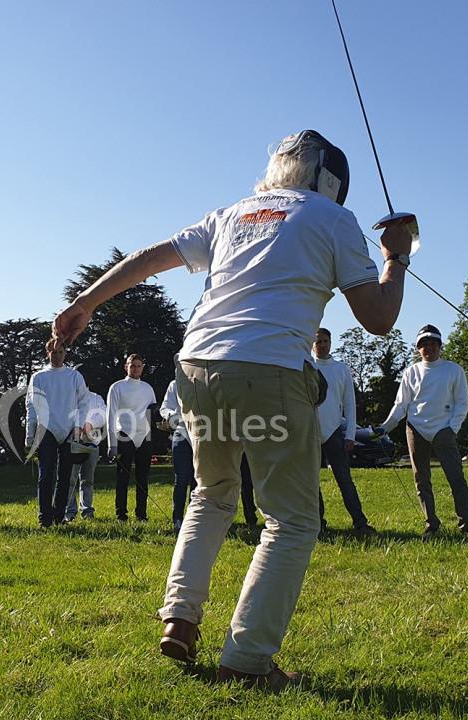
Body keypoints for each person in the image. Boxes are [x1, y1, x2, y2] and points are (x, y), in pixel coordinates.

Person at [53, 129, 408, 690]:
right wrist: (396, 259)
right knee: (291, 519)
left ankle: (180, 618)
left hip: (195, 365)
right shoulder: (334, 219)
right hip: (269, 370)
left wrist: (83, 304)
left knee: (211, 494)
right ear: (332, 181)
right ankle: (247, 658)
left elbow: (150, 259)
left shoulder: (232, 213)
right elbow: (380, 318)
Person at [378, 324, 468, 536]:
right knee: (421, 479)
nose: (428, 348)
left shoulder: (453, 370)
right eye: (424, 344)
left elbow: (462, 403)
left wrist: (452, 428)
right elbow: (401, 405)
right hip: (416, 429)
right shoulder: (411, 372)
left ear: (440, 346)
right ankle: (431, 525)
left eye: (433, 344)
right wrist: (385, 427)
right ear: (418, 348)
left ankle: (467, 525)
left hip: (444, 430)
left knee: (456, 478)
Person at [312, 327, 375, 535]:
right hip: (309, 433)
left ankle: (360, 522)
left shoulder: (341, 369)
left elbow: (349, 403)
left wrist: (349, 435)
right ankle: (318, 523)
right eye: (318, 341)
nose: (321, 345)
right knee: (312, 482)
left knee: (344, 480)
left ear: (331, 343)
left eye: (325, 341)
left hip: (334, 433)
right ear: (312, 344)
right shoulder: (305, 365)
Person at [26, 340, 90, 527]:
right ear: (47, 353)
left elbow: (84, 402)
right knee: (46, 474)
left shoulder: (74, 376)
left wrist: (78, 426)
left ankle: (59, 516)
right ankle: (44, 518)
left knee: (65, 476)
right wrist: (30, 434)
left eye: (61, 352)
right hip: (46, 429)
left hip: (69, 429)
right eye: (54, 352)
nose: (57, 356)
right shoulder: (39, 377)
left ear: (65, 353)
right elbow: (31, 405)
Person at [106, 354, 157, 521]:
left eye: (138, 365)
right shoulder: (117, 387)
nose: (135, 368)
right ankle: (121, 515)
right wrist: (111, 444)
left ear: (143, 368)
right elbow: (111, 416)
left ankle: (141, 514)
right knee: (123, 477)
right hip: (124, 435)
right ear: (126, 367)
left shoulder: (148, 388)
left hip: (144, 436)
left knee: (143, 477)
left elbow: (152, 413)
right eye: (132, 365)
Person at [66, 390, 106, 521]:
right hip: (72, 442)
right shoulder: (68, 396)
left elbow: (103, 414)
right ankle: (69, 512)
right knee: (70, 480)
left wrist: (89, 424)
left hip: (91, 442)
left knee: (87, 479)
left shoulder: (96, 397)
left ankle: (87, 510)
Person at [160, 378, 194, 534]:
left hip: (202, 434)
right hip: (181, 433)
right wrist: (171, 415)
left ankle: (194, 520)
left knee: (197, 480)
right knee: (181, 479)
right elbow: (165, 406)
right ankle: (178, 519)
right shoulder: (174, 384)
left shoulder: (203, 381)